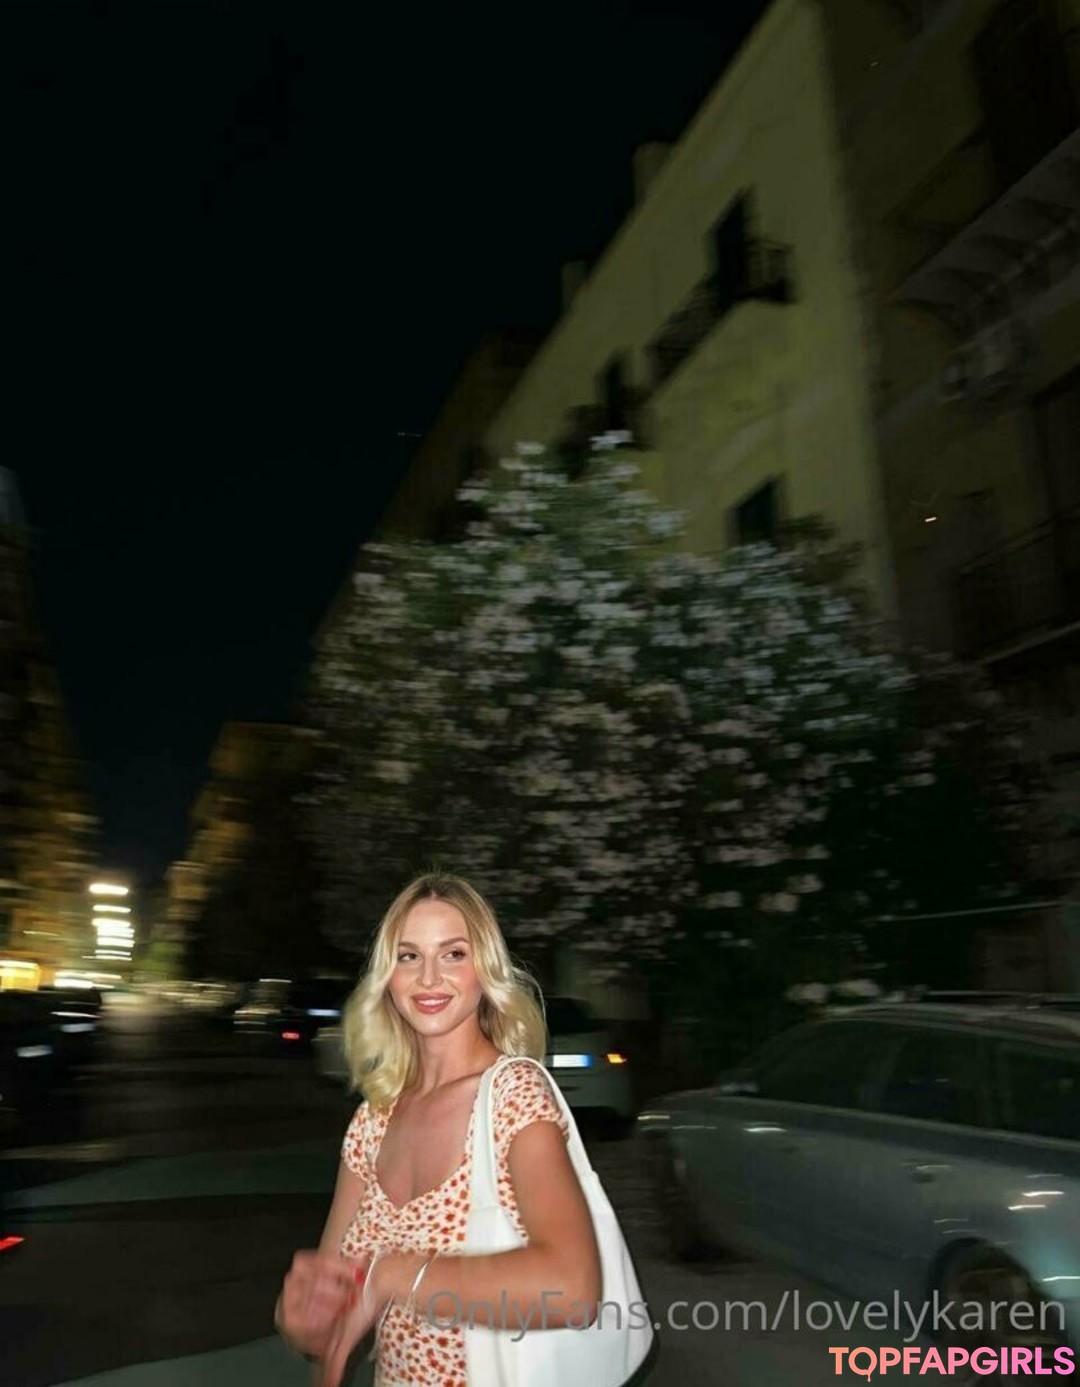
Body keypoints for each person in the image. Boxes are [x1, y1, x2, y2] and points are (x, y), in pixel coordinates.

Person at [275, 872, 602, 1387]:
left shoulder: (512, 1097)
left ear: (485, 970)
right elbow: (338, 1312)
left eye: (453, 954)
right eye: (409, 956)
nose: (429, 977)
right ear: (388, 976)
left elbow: (574, 1289)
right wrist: (303, 1322)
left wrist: (394, 1274)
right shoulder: (372, 1123)